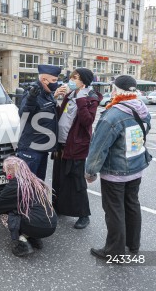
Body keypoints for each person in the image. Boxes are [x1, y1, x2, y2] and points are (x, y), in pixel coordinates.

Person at [85, 75, 152, 259]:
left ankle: (114, 251)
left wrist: (90, 171)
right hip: (136, 167)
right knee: (132, 205)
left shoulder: (113, 115)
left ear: (116, 91)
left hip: (116, 171)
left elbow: (99, 147)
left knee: (114, 210)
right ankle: (133, 244)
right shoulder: (141, 109)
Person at [52, 68, 102, 229]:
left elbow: (87, 121)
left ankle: (83, 215)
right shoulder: (69, 95)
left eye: (76, 78)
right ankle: (59, 208)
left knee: (76, 181)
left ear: (84, 81)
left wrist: (81, 99)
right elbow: (62, 115)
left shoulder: (91, 98)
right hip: (61, 144)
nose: (71, 80)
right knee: (59, 179)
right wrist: (57, 100)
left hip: (76, 146)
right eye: (71, 77)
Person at [0, 156, 57, 257]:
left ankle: (23, 244)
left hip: (37, 226)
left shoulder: (15, 184)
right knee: (29, 211)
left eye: (5, 170)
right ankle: (34, 239)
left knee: (4, 215)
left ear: (10, 170)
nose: (4, 172)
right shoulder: (34, 179)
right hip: (51, 225)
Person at [17, 64, 63, 181]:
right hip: (31, 150)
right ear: (44, 80)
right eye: (54, 80)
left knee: (38, 187)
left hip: (42, 149)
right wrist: (31, 99)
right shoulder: (32, 93)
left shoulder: (47, 94)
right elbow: (23, 115)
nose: (56, 83)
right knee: (27, 188)